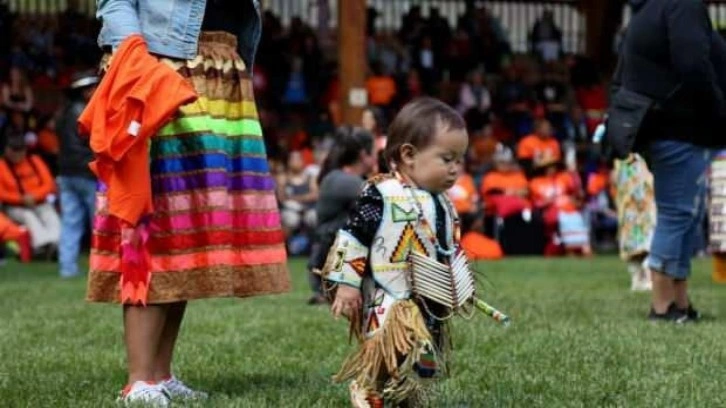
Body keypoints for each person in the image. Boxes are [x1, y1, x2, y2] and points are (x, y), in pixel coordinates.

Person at [82, 1, 290, 405]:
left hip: (220, 73)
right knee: (150, 221)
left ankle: (160, 373)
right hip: (162, 68)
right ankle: (139, 380)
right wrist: (134, 60)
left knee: (184, 233)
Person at [321, 97, 470, 407]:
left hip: (430, 295)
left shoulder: (442, 202)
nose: (456, 169)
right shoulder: (383, 194)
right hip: (389, 294)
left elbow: (448, 247)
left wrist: (458, 283)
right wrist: (347, 285)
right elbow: (353, 236)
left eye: (460, 160)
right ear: (409, 155)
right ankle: (369, 387)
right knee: (387, 345)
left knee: (424, 352)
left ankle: (408, 393)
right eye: (447, 159)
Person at [619, 0, 726, 321]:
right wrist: (720, 110)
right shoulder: (682, 6)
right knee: (677, 215)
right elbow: (692, 65)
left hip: (672, 129)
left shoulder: (654, 9)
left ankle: (679, 301)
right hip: (682, 128)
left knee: (684, 216)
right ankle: (662, 304)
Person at [307, 126, 375, 305]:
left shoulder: (341, 177)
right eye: (374, 152)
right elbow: (385, 198)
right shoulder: (343, 180)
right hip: (327, 266)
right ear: (363, 155)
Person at [55, 71, 98, 278]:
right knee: (97, 223)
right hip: (86, 173)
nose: (96, 91)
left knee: (70, 221)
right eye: (92, 88)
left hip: (65, 173)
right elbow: (95, 144)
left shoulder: (63, 112)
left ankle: (67, 267)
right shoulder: (86, 113)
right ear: (84, 92)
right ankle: (102, 267)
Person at [0, 132, 60, 257]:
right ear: (6, 149)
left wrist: (34, 196)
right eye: (13, 149)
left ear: (25, 150)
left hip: (38, 201)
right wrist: (21, 199)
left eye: (20, 150)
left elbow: (49, 184)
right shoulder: (1, 166)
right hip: (14, 206)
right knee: (28, 217)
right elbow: (2, 193)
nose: (17, 153)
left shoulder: (35, 161)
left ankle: (55, 244)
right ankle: (42, 246)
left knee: (50, 215)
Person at [612, 154, 655, 291]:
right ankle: (641, 277)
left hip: (632, 164)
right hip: (636, 163)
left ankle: (641, 277)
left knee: (636, 221)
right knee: (640, 222)